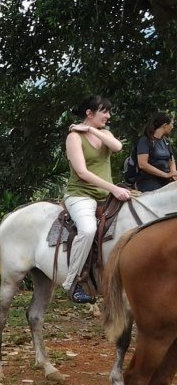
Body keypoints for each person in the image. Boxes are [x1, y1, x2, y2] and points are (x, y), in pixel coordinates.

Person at [62, 95, 130, 304]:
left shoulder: (103, 133)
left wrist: (91, 130)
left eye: (108, 112)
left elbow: (118, 147)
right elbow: (82, 172)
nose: (108, 116)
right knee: (88, 229)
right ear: (89, 113)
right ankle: (72, 283)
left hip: (106, 196)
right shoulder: (73, 138)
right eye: (104, 112)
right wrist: (113, 188)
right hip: (81, 195)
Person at [134, 112, 176, 192]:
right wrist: (165, 175)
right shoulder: (145, 140)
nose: (172, 127)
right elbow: (142, 164)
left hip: (166, 179)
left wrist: (173, 172)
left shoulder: (166, 141)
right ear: (164, 125)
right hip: (149, 180)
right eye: (171, 124)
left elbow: (171, 159)